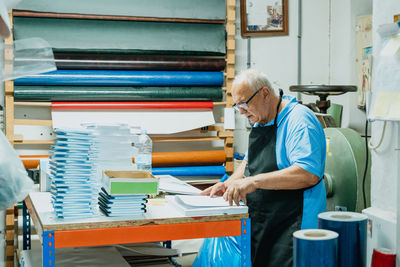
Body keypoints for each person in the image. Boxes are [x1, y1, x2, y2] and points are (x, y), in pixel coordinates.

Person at [201, 69, 327, 267]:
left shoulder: (299, 121)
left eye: (244, 104)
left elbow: (307, 173)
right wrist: (229, 183)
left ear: (265, 94)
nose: (241, 112)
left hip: (293, 222)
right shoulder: (262, 119)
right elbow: (249, 162)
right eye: (237, 106)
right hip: (266, 219)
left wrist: (253, 182)